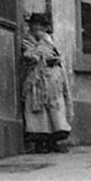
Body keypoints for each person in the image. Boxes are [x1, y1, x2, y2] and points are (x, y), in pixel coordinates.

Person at [21, 12, 72, 153]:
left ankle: (53, 141)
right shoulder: (28, 40)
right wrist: (41, 55)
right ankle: (40, 142)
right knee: (38, 109)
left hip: (53, 78)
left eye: (41, 26)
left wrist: (55, 59)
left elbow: (56, 54)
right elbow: (29, 55)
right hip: (37, 78)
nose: (38, 28)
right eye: (35, 25)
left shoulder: (50, 40)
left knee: (55, 109)